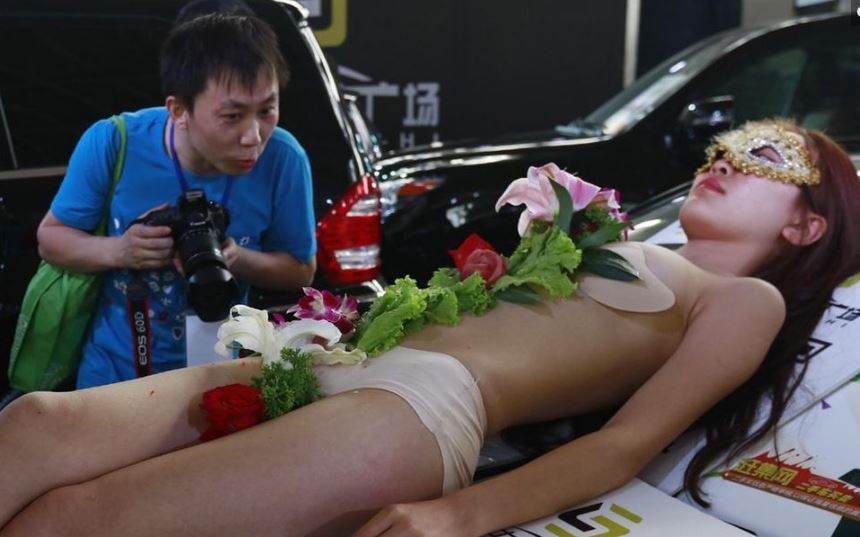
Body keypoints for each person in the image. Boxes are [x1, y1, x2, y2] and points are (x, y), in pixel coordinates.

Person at [1, 120, 858, 536]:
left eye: (764, 159)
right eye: (719, 152)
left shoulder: (746, 301)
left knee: (83, 519)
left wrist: (459, 516)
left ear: (808, 224)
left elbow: (624, 444)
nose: (721, 163)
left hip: (417, 406)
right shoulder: (624, 235)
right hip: (342, 357)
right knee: (34, 422)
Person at [35, 12, 317, 388]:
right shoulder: (114, 142)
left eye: (267, 110)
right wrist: (121, 251)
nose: (253, 137)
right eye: (232, 116)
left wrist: (235, 257)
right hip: (114, 377)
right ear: (179, 111)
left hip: (219, 378)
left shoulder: (284, 158)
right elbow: (51, 239)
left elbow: (300, 270)